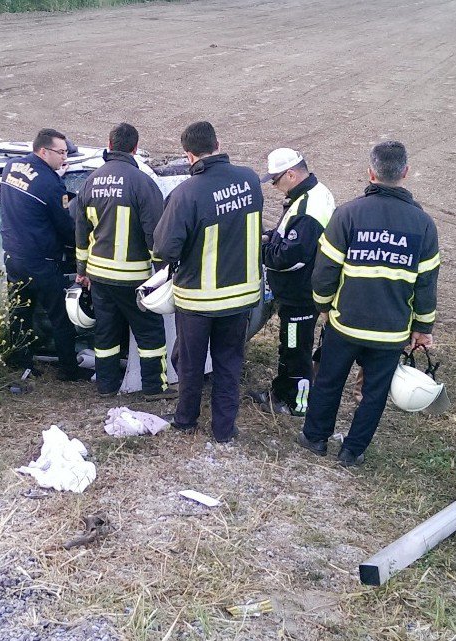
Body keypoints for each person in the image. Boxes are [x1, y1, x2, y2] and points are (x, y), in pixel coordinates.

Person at [298, 141, 440, 466]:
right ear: (404, 173)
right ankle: (352, 451)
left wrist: (323, 305)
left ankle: (315, 438)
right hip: (390, 333)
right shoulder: (424, 226)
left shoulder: (347, 214)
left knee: (329, 381)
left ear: (371, 173)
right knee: (375, 395)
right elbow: (427, 282)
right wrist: (422, 327)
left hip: (345, 323)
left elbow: (325, 272)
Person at [153, 121, 264, 443]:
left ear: (189, 156)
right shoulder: (249, 180)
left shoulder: (187, 192)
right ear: (218, 144)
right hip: (241, 296)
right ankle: (224, 430)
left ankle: (186, 420)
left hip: (198, 299)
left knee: (190, 363)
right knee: (229, 364)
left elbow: (164, 248)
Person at [72, 122, 176, 401]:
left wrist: (82, 272)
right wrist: (161, 275)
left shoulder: (91, 182)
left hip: (99, 276)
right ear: (134, 148)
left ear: (109, 144)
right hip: (134, 277)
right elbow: (155, 235)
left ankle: (106, 386)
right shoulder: (143, 183)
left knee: (106, 333)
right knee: (150, 334)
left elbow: (81, 233)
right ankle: (154, 388)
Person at [0, 128, 91, 382]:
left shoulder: (11, 166)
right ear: (43, 151)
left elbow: (30, 188)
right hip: (41, 261)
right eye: (60, 152)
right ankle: (69, 370)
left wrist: (53, 174)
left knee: (20, 311)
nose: (64, 157)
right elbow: (64, 227)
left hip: (14, 256)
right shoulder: (51, 185)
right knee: (60, 316)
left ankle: (21, 360)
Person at [255, 147, 336, 416]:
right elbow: (289, 236)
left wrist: (259, 250)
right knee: (290, 345)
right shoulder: (311, 194)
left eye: (275, 180)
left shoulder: (308, 207)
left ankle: (296, 403)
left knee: (295, 348)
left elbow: (290, 256)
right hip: (303, 289)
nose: (274, 186)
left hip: (300, 295)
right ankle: (279, 392)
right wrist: (272, 237)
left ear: (291, 174)